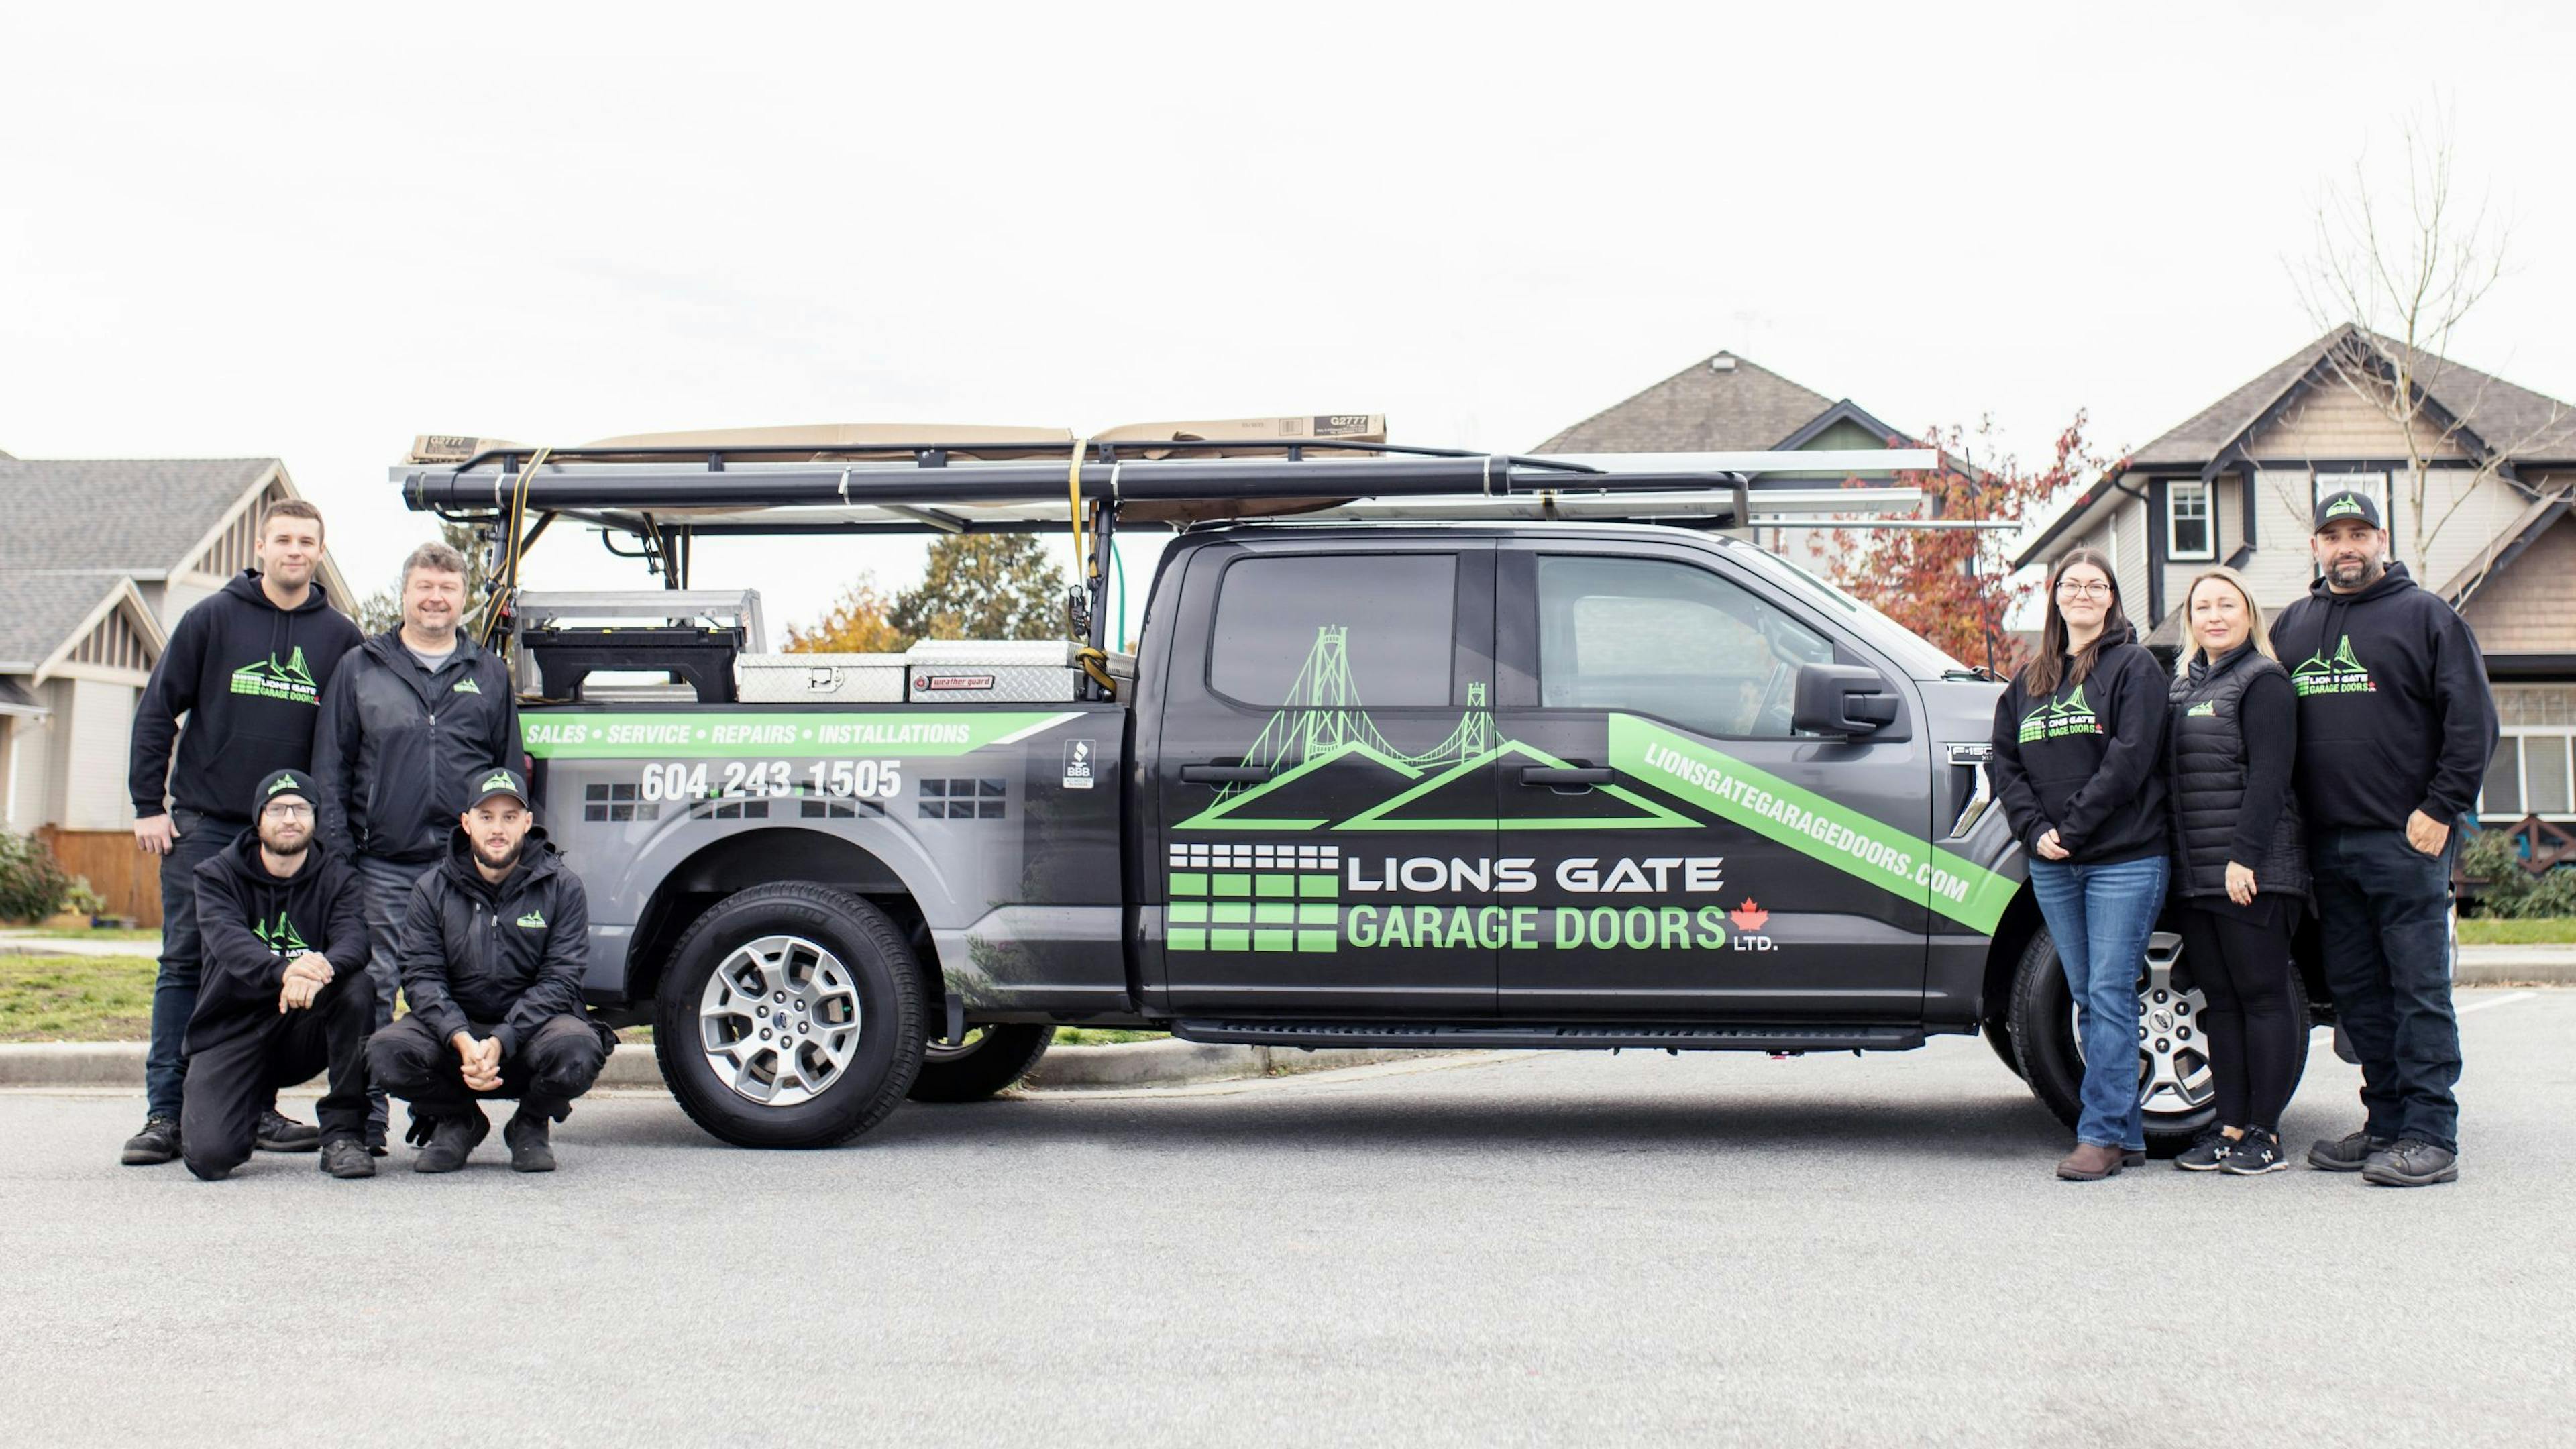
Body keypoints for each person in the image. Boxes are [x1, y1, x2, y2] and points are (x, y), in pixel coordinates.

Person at [122, 499, 365, 1167]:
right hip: (209, 823)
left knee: (283, 962)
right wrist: (149, 803)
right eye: (283, 539)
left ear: (320, 552)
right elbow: (157, 710)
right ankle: (165, 1115)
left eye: (306, 541)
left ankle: (253, 1107)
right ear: (261, 546)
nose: (294, 550)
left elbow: (345, 743)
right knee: (186, 964)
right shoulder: (211, 620)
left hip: (295, 836)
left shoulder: (339, 638)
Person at [2271, 490, 2497, 1187]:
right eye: (2334, 535)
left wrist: (2442, 807)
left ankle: (2433, 1135)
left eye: (2360, 533)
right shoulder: (2293, 628)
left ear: (2382, 539)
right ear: (2315, 546)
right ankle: (2387, 1124)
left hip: (2407, 842)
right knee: (2360, 995)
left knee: (2418, 991)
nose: (2348, 546)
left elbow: (2473, 723)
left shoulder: (2427, 618)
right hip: (2327, 849)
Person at [311, 541, 521, 1152]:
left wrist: (504, 860)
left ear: (464, 597)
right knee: (370, 994)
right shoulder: (361, 667)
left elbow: (506, 774)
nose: (435, 597)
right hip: (382, 866)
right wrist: (341, 856)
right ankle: (363, 1124)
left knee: (454, 997)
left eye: (448, 588)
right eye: (424, 586)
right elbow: (331, 768)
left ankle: (443, 1116)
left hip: (463, 871)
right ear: (404, 593)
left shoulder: (488, 674)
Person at [1989, 547, 2171, 1181]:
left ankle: (2098, 1136)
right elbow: (2004, 765)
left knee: (2109, 993)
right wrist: (2035, 830)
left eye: (2097, 585)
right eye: (2073, 584)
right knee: (2091, 999)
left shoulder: (2135, 668)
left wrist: (2073, 826)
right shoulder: (2030, 678)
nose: (2084, 594)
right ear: (2057, 598)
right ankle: (2125, 1134)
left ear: (2113, 599)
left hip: (2122, 859)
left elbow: (2132, 758)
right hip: (2054, 863)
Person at [365, 767, 610, 1173]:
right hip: (456, 1040)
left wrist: (503, 1039)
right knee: (385, 1053)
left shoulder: (563, 888)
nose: (498, 829)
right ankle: (458, 1120)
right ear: (466, 823)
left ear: (528, 823)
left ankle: (531, 1123)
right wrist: (460, 1038)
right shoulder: (431, 889)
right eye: (486, 817)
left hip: (532, 1035)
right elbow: (421, 978)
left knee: (580, 1050)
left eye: (510, 817)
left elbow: (561, 980)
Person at [2163, 567, 2309, 1176]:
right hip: (2197, 873)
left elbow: (2272, 777)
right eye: (2203, 607)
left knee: (2262, 998)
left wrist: (2244, 857)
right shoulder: (2183, 686)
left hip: (2250, 870)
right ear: (2190, 620)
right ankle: (2229, 1127)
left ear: (2249, 613)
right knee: (2219, 1002)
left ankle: (2266, 1135)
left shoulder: (2264, 681)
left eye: (2227, 605)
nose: (2215, 616)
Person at [176, 770, 376, 1181]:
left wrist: (321, 970)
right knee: (210, 1159)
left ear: (315, 819)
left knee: (357, 989)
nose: (290, 818)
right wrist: (286, 971)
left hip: (301, 1028)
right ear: (258, 818)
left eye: (301, 808)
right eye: (278, 809)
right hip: (232, 1029)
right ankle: (248, 1110)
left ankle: (344, 1134)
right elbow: (230, 945)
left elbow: (354, 941)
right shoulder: (217, 875)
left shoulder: (337, 876)